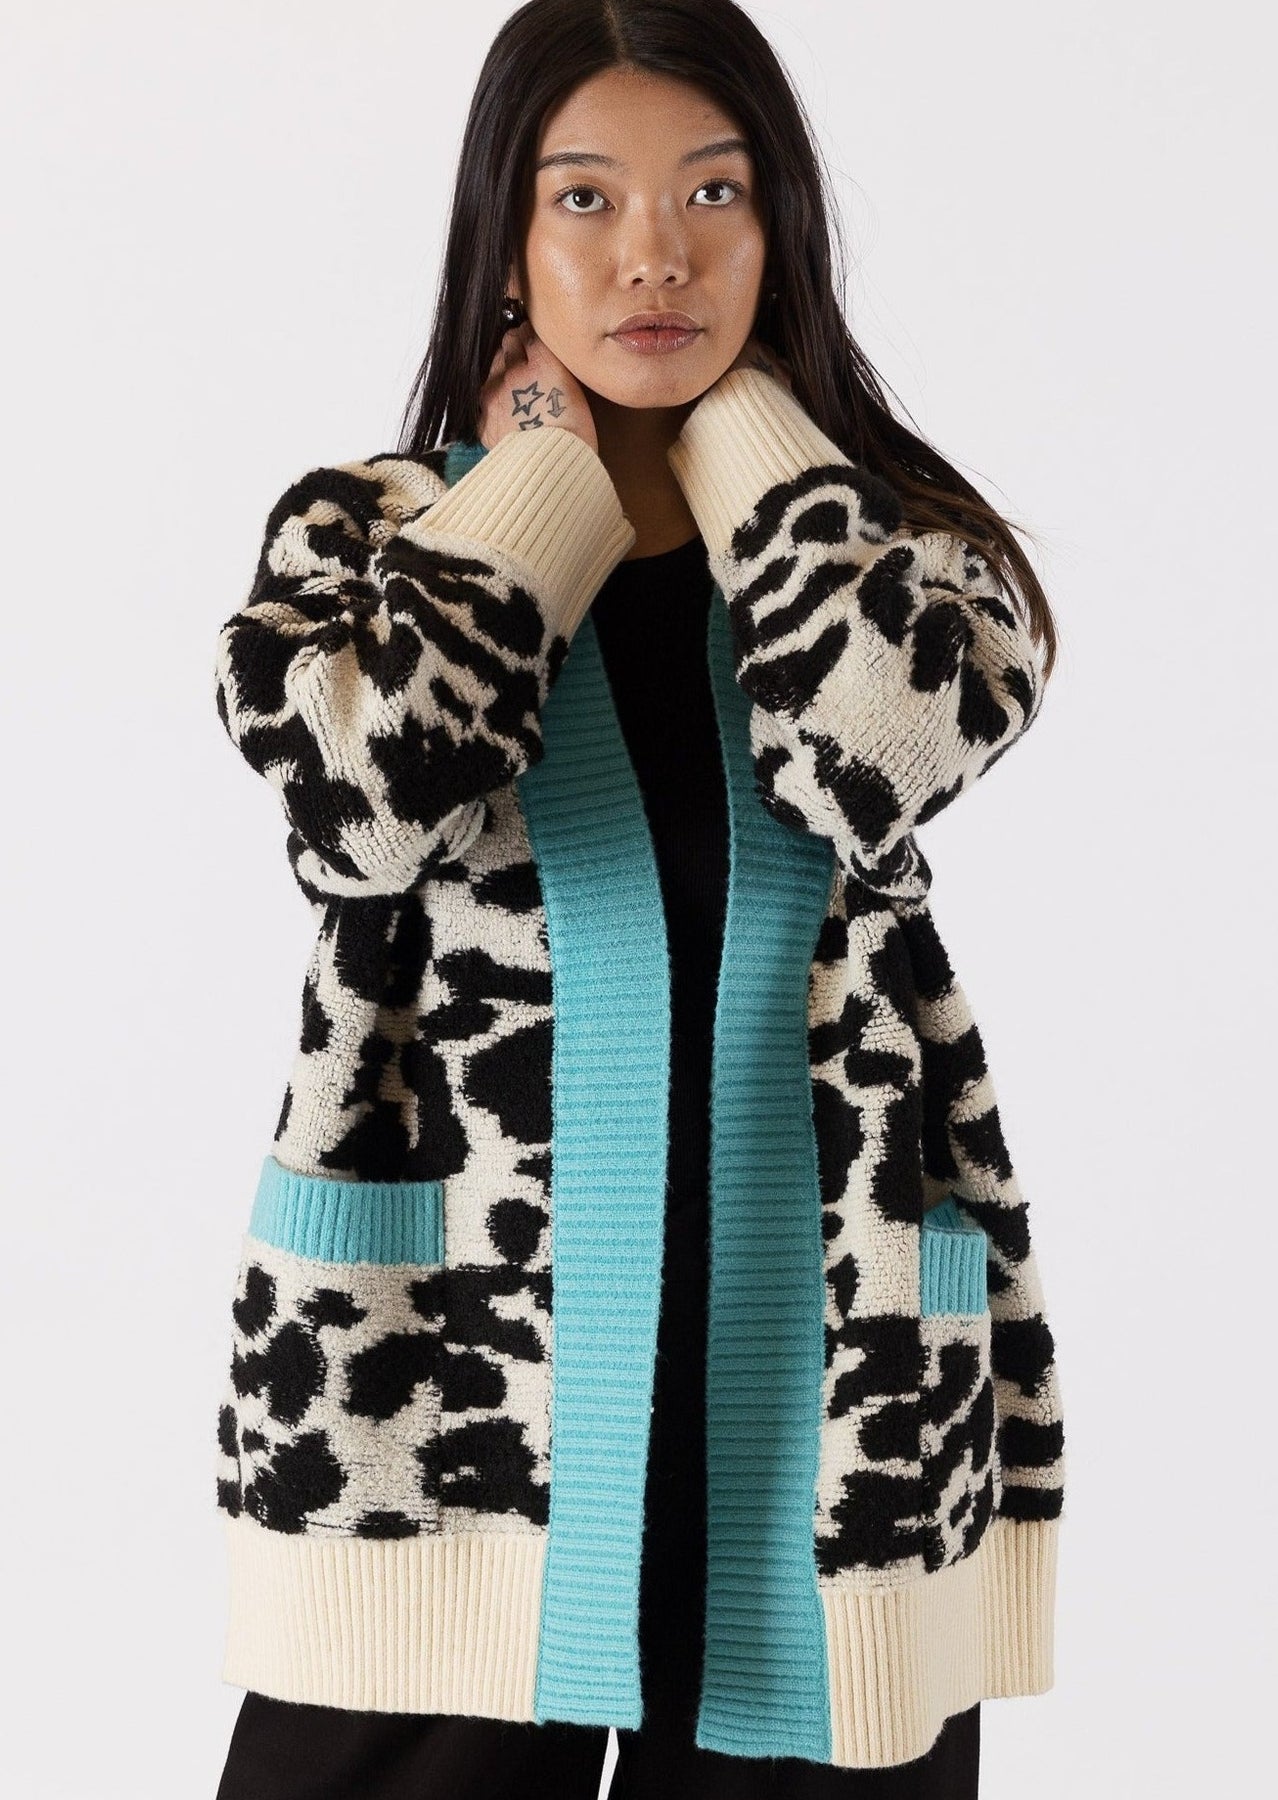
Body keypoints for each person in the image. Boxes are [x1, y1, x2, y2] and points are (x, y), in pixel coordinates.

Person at [212, 3, 1066, 1796]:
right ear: (503, 237)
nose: (655, 254)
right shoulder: (364, 540)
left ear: (783, 230)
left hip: (824, 1390)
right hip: (447, 1379)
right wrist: (537, 485)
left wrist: (749, 444)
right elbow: (364, 804)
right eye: (586, 197)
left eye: (713, 194)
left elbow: (866, 754)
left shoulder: (907, 556)